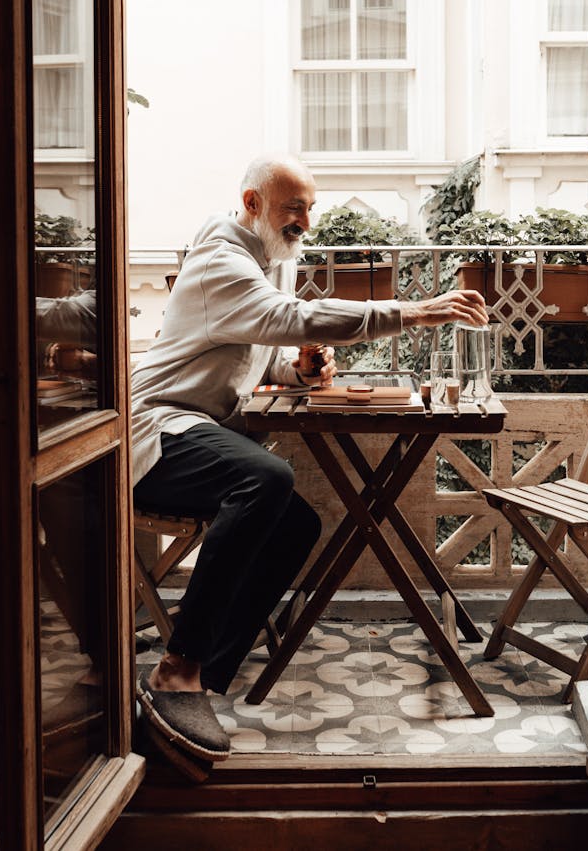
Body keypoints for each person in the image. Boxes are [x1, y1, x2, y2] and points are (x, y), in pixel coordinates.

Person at [130, 153, 488, 762]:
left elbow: (254, 353)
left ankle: (204, 679)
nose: (305, 221)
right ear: (252, 204)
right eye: (293, 207)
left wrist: (296, 368)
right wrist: (415, 311)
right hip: (156, 432)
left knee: (299, 524)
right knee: (267, 477)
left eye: (309, 208)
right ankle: (176, 668)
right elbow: (284, 318)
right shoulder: (222, 259)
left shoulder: (269, 261)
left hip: (201, 430)